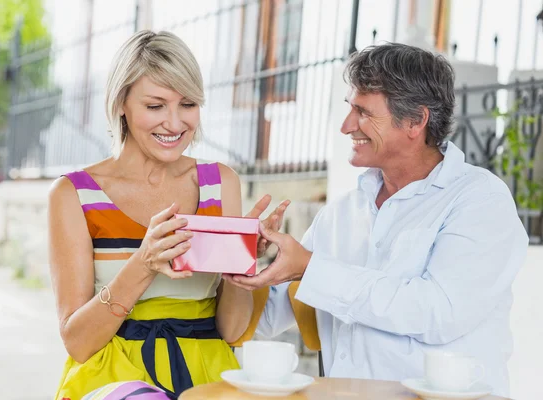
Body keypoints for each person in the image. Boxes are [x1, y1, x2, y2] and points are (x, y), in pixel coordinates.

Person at [225, 43, 528, 397]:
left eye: (363, 112)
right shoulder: (339, 215)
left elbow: (439, 312)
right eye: (349, 109)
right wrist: (243, 255)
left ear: (416, 120)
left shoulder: (479, 200)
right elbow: (264, 322)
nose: (346, 126)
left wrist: (311, 268)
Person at [48, 30, 288, 400]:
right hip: (113, 376)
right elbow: (78, 343)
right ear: (122, 104)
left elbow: (231, 329)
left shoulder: (219, 183)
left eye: (188, 104)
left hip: (208, 373)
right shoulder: (75, 194)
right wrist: (143, 263)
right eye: (156, 106)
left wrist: (243, 263)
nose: (175, 124)